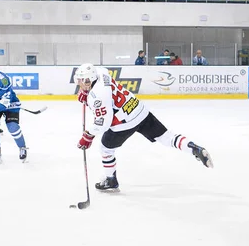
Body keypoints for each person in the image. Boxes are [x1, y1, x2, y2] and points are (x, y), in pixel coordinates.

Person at [74, 64, 213, 191]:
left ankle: (111, 180)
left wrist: (88, 135)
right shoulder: (101, 72)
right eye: (79, 80)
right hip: (139, 110)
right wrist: (87, 94)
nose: (79, 83)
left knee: (106, 148)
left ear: (89, 80)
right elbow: (99, 75)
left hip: (124, 123)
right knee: (166, 137)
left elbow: (103, 122)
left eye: (82, 81)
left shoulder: (97, 96)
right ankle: (193, 148)